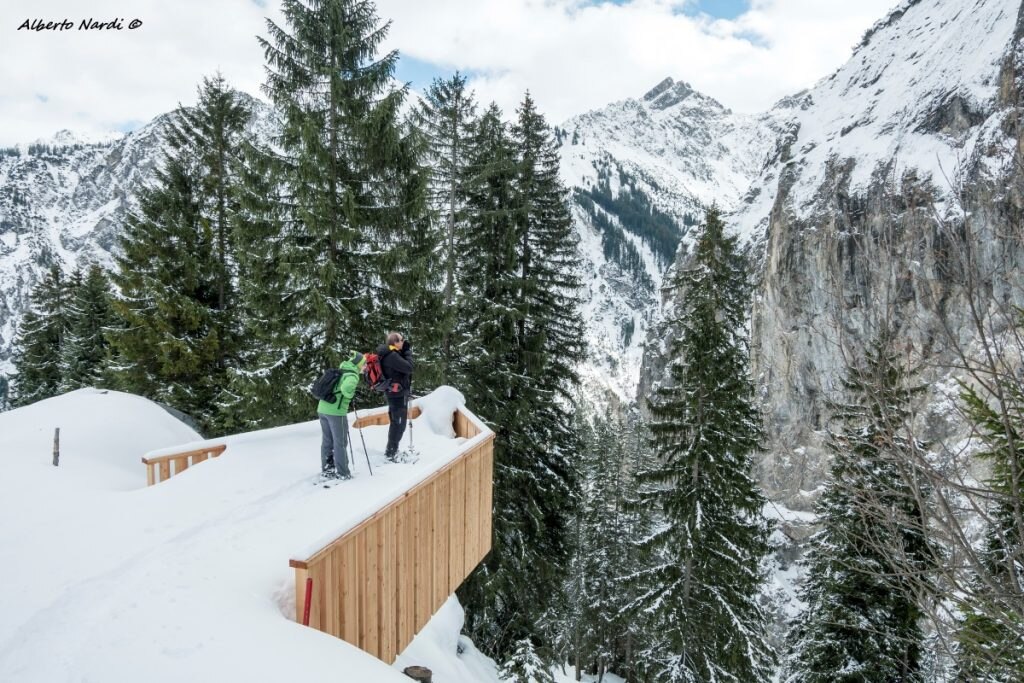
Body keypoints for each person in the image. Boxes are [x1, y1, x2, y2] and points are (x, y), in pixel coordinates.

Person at [317, 350, 365, 480]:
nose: (365, 367)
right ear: (358, 364)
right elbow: (345, 389)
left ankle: (328, 469)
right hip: (336, 413)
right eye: (364, 364)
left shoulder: (342, 369)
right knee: (340, 443)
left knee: (327, 441)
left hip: (322, 409)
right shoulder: (353, 376)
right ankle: (343, 473)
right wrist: (350, 395)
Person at [377, 331, 413, 462]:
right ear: (395, 343)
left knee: (397, 423)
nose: (403, 342)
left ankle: (392, 451)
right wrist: (408, 352)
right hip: (397, 395)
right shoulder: (391, 356)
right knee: (398, 424)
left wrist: (403, 351)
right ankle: (391, 453)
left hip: (395, 393)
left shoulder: (391, 354)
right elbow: (409, 367)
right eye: (401, 340)